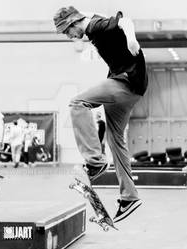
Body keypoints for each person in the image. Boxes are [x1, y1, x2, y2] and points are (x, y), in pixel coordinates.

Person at [53, 6, 148, 222]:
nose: (70, 37)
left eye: (68, 32)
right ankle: (129, 197)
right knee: (116, 140)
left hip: (125, 82)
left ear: (74, 23)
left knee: (78, 103)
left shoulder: (96, 27)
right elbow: (90, 13)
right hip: (133, 87)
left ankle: (95, 161)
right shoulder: (92, 22)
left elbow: (125, 20)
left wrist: (132, 40)